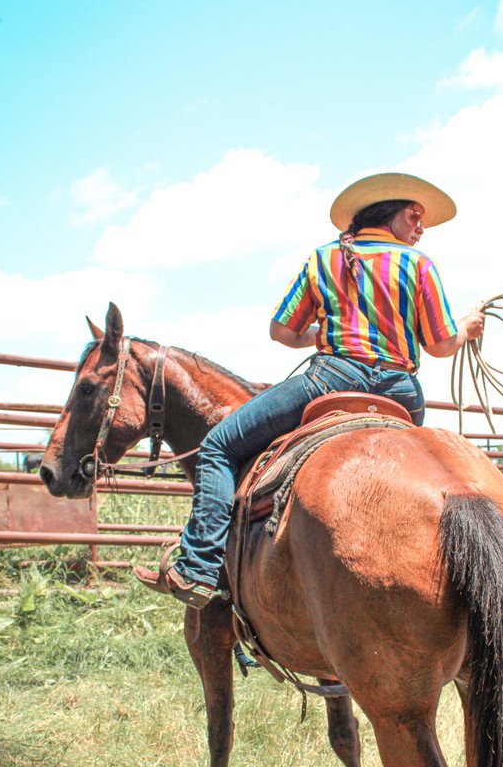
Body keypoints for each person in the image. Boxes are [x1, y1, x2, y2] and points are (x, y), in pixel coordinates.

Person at [135, 171, 484, 608]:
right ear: (387, 213)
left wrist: (320, 335)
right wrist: (467, 329)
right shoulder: (419, 266)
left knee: (218, 446)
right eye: (414, 214)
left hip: (331, 379)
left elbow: (281, 330)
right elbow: (439, 344)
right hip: (402, 395)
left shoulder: (324, 260)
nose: (421, 225)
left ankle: (199, 567)